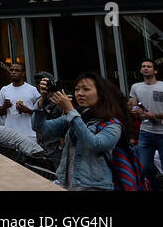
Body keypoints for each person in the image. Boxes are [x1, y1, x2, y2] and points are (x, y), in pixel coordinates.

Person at [33, 74, 123, 191]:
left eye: (86, 89)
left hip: (93, 186)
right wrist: (42, 101)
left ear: (101, 94)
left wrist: (70, 110)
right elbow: (40, 128)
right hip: (66, 184)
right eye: (76, 89)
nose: (80, 93)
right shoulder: (75, 117)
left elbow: (95, 144)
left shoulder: (112, 124)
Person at [128, 58, 162, 190]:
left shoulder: (162, 86)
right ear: (141, 70)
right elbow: (133, 103)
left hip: (162, 132)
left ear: (155, 70)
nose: (146, 68)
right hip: (145, 132)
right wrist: (135, 110)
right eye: (143, 66)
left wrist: (154, 115)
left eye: (149, 66)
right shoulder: (136, 87)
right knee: (145, 166)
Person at [0, 63, 41, 139]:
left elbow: (39, 112)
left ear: (23, 73)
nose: (13, 72)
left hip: (29, 133)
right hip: (10, 134)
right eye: (11, 70)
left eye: (17, 70)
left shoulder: (32, 90)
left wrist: (26, 110)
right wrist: (5, 106)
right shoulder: (4, 90)